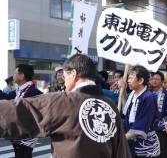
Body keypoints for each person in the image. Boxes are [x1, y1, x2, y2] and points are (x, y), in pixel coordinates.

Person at [0, 54, 131, 158]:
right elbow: (121, 150)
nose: (63, 79)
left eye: (65, 75)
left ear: (73, 74)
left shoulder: (63, 101)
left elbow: (17, 111)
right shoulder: (109, 105)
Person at [0, 64, 43, 158]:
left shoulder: (35, 93)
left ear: (22, 75)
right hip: (17, 135)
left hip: (27, 137)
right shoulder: (18, 91)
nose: (13, 75)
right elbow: (6, 98)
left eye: (15, 73)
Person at [122, 65, 160, 158]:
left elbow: (141, 126)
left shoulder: (148, 98)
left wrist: (120, 139)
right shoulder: (132, 94)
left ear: (140, 81)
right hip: (132, 141)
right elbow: (127, 110)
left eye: (131, 78)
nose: (128, 81)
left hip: (145, 147)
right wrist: (122, 91)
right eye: (128, 78)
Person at [150, 71, 167, 158]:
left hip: (161, 125)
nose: (154, 81)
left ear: (162, 82)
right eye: (153, 79)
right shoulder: (147, 93)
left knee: (162, 148)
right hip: (148, 125)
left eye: (157, 79)